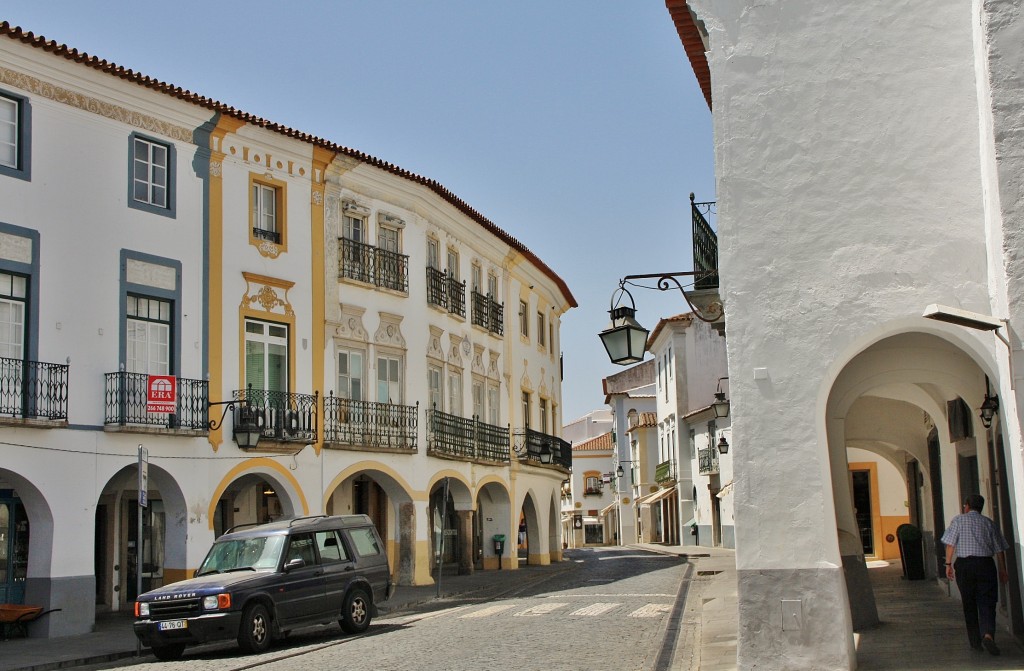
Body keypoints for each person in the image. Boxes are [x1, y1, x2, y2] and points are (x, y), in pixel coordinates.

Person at [941, 493, 1009, 656]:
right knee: (987, 601)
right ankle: (987, 634)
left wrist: (948, 564)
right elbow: (1000, 550)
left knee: (969, 603)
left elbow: (950, 544)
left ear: (967, 506)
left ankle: (975, 642)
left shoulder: (958, 520)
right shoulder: (989, 523)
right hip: (986, 564)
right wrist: (1002, 569)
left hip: (965, 566)